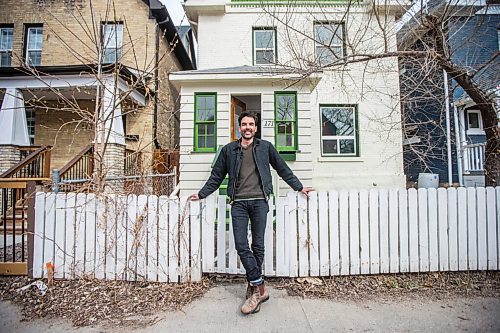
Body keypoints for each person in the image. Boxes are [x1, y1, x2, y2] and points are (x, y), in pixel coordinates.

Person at [189, 112, 314, 315]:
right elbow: (216, 176)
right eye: (244, 124)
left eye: (251, 124)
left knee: (258, 245)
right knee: (240, 244)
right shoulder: (229, 150)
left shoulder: (265, 147)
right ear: (239, 127)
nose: (248, 127)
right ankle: (260, 286)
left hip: (259, 202)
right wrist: (202, 194)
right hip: (238, 202)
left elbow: (282, 168)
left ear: (255, 128)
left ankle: (253, 287)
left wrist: (299, 187)